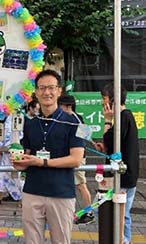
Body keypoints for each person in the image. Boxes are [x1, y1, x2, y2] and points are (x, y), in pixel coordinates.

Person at [12, 69, 85, 244]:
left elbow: (76, 159)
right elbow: (27, 156)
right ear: (36, 92)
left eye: (51, 87)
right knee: (32, 241)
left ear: (59, 91)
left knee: (61, 241)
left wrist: (42, 161)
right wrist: (19, 162)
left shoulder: (75, 122)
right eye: (42, 88)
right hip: (32, 192)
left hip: (61, 194)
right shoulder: (30, 124)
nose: (46, 92)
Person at [95, 84, 139, 244]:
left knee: (121, 214)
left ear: (113, 100)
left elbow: (109, 139)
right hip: (127, 175)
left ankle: (123, 241)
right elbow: (113, 145)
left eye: (104, 99)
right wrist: (105, 147)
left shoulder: (123, 117)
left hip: (123, 176)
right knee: (122, 213)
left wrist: (107, 120)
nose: (102, 103)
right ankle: (123, 240)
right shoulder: (125, 116)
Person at [58, 94, 95, 225]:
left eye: (60, 105)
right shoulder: (69, 118)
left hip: (77, 157)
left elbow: (86, 136)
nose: (58, 107)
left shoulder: (74, 118)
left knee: (80, 185)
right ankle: (70, 213)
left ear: (68, 106)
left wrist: (94, 144)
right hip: (68, 156)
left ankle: (89, 213)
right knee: (72, 184)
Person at [0, 115, 23, 205]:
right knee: (5, 173)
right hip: (9, 148)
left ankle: (24, 197)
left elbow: (14, 134)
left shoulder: (15, 116)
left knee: (12, 174)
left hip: (12, 148)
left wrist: (3, 145)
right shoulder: (10, 116)